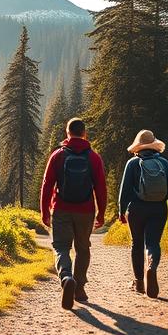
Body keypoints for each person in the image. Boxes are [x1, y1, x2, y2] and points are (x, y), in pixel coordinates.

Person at [40, 117, 107, 310]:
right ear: (84, 133)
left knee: (61, 247)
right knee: (83, 248)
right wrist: (101, 213)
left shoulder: (58, 155)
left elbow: (47, 185)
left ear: (67, 133)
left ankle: (66, 277)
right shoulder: (93, 157)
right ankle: (79, 289)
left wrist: (45, 211)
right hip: (86, 210)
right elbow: (101, 188)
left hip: (61, 208)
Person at [118, 129, 168, 298]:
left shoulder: (132, 163)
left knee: (136, 244)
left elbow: (124, 191)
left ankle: (139, 283)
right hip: (158, 208)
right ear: (154, 145)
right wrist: (164, 196)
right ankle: (151, 267)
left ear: (138, 146)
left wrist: (121, 211)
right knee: (153, 243)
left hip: (136, 210)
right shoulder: (164, 162)